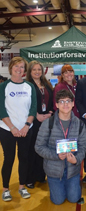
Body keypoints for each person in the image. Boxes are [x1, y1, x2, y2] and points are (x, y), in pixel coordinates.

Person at [35, 89, 86, 205]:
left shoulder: (80, 124)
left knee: (74, 199)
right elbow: (39, 147)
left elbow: (83, 146)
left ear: (73, 104)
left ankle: (71, 187)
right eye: (62, 102)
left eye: (68, 101)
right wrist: (56, 155)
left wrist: (76, 159)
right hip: (53, 171)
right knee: (58, 201)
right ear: (56, 105)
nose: (65, 104)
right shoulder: (47, 123)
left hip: (72, 171)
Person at [0, 57, 37, 201]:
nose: (19, 69)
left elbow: (33, 108)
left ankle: (22, 186)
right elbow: (1, 110)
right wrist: (12, 128)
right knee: (8, 159)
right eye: (16, 66)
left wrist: (26, 126)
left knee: (24, 158)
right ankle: (5, 189)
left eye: (22, 67)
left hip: (26, 129)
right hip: (7, 129)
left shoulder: (29, 86)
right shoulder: (3, 86)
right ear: (11, 68)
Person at [26, 60, 54, 188]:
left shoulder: (47, 84)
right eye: (34, 70)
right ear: (30, 72)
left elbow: (53, 100)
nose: (37, 72)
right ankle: (29, 178)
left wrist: (50, 113)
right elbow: (24, 104)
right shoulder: (26, 85)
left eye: (39, 69)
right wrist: (35, 115)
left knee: (43, 148)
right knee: (32, 149)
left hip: (47, 120)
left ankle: (40, 175)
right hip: (33, 121)